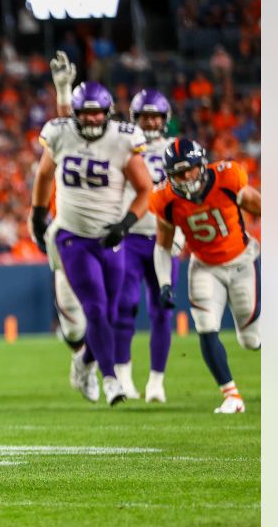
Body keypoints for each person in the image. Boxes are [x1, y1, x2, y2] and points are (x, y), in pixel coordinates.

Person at [50, 51, 178, 402]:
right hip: (115, 235)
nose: (150, 125)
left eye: (156, 118)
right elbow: (70, 131)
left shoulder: (177, 150)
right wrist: (63, 93)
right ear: (133, 118)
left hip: (160, 235)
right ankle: (116, 374)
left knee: (159, 309)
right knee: (111, 310)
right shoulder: (115, 137)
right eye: (144, 117)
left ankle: (151, 380)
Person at [30, 81, 156, 405]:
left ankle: (84, 362)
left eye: (96, 113)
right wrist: (37, 214)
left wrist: (126, 224)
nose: (90, 119)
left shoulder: (122, 139)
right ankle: (111, 379)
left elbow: (145, 189)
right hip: (72, 236)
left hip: (109, 237)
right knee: (95, 308)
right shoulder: (61, 134)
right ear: (74, 114)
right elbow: (44, 175)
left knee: (110, 315)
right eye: (84, 113)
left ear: (108, 113)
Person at [151, 139, 261, 413]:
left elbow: (258, 204)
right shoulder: (164, 198)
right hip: (204, 266)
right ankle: (231, 396)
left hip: (241, 262)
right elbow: (163, 246)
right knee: (205, 326)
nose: (184, 177)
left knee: (251, 340)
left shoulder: (228, 177)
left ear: (201, 165)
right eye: (176, 173)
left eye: (188, 169)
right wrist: (164, 283)